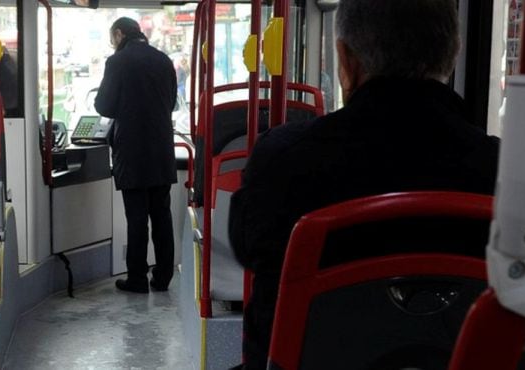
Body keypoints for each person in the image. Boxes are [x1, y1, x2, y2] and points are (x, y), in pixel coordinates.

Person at [228, 0, 500, 367]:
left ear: (346, 61)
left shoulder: (284, 158)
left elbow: (247, 250)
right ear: (452, 55)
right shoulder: (503, 170)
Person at [95, 17, 178, 294]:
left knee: (137, 218)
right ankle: (164, 277)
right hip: (162, 150)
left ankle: (137, 279)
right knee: (162, 215)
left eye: (112, 39)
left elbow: (104, 105)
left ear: (119, 34)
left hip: (131, 151)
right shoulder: (164, 61)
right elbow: (172, 102)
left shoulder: (117, 62)